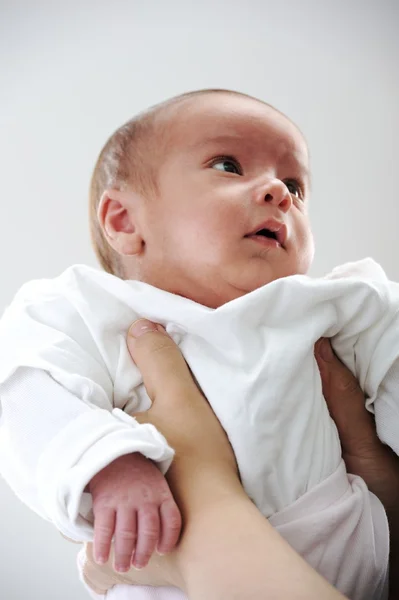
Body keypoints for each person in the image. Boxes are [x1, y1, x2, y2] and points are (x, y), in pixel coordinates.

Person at [0, 89, 399, 599]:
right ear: (125, 221)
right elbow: (29, 388)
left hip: (360, 559)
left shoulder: (332, 303)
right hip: (169, 561)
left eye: (295, 185)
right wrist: (110, 465)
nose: (279, 189)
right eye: (229, 164)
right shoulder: (87, 307)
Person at [80, 321, 399, 600]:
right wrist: (111, 461)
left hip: (345, 544)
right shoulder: (92, 308)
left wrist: (199, 506)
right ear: (129, 246)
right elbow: (44, 405)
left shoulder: (324, 304)